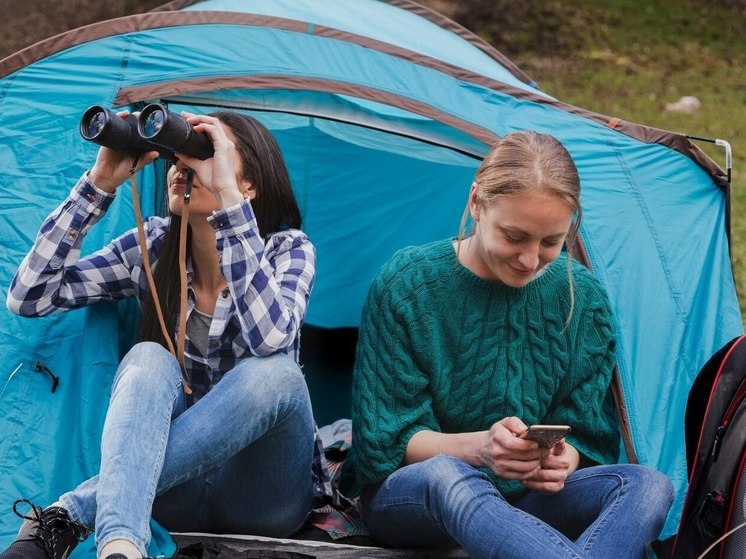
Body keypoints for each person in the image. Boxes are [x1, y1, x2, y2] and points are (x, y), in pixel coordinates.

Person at [3, 109, 327, 559]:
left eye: (204, 153)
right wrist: (100, 183)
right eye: (180, 156)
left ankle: (74, 513)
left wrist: (229, 200)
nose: (182, 167)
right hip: (172, 492)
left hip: (261, 496)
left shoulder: (287, 249)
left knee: (277, 375)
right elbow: (29, 296)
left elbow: (270, 341)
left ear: (249, 184)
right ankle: (120, 548)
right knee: (148, 357)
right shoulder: (152, 246)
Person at [341, 131, 675, 558]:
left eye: (552, 242)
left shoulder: (583, 299)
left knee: (648, 487)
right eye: (514, 237)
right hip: (419, 497)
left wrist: (563, 461)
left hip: (529, 501)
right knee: (449, 476)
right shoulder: (406, 286)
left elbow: (591, 433)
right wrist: (481, 450)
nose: (530, 259)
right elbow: (385, 442)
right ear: (476, 203)